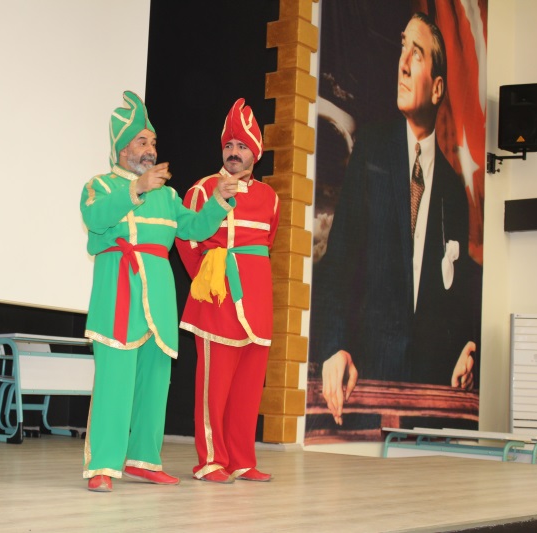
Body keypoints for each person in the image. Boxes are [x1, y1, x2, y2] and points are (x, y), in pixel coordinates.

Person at [310, 12, 477, 426]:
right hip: (368, 384)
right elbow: (338, 260)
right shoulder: (371, 150)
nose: (401, 63)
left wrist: (469, 345)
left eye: (416, 54)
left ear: (437, 88)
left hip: (429, 400)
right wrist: (334, 347)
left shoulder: (453, 191)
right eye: (402, 47)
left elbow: (459, 288)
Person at [80, 91, 245, 492]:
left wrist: (219, 200)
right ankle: (103, 464)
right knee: (114, 385)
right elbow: (95, 219)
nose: (151, 149)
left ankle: (144, 460)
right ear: (122, 148)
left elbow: (195, 229)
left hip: (158, 299)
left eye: (153, 142)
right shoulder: (99, 186)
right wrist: (135, 189)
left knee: (155, 383)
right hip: (118, 296)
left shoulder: (168, 196)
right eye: (142, 141)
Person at [175, 98, 280, 483]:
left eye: (242, 146)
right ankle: (211, 460)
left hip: (257, 301)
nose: (234, 152)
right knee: (213, 388)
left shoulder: (271, 197)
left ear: (256, 152)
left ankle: (242, 460)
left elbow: (268, 244)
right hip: (217, 300)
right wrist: (206, 280)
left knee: (248, 389)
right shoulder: (203, 189)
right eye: (229, 145)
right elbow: (185, 240)